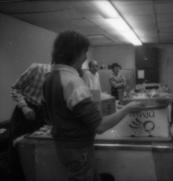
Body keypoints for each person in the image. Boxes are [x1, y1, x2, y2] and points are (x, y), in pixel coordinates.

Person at [43, 31, 144, 181]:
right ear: (75, 52)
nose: (85, 57)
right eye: (84, 52)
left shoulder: (49, 78)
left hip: (62, 146)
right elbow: (100, 126)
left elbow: (48, 117)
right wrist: (128, 108)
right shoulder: (73, 81)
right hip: (79, 149)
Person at [9, 63, 51, 181]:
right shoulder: (37, 68)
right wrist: (24, 107)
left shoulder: (62, 79)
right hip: (24, 112)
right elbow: (15, 88)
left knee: (35, 152)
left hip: (41, 114)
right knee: (17, 151)